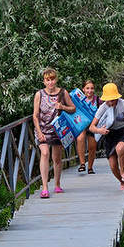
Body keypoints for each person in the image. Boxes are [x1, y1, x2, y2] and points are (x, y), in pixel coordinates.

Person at [33, 68, 75, 199]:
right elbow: (35, 115)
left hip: (57, 130)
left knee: (56, 159)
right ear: (44, 81)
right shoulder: (39, 94)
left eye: (52, 79)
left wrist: (62, 107)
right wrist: (39, 132)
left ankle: (57, 184)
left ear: (56, 80)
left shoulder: (63, 93)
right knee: (45, 153)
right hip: (43, 130)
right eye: (48, 80)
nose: (50, 82)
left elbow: (73, 109)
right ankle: (45, 187)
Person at [91, 82, 124, 189]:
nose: (111, 102)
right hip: (110, 134)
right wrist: (100, 130)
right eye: (109, 100)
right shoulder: (103, 107)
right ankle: (121, 181)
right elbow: (91, 127)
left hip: (123, 132)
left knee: (120, 148)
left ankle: (123, 171)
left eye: (113, 99)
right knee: (112, 165)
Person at [75, 79, 100, 174]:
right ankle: (82, 163)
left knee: (92, 146)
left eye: (92, 88)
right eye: (87, 88)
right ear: (83, 89)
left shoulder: (98, 100)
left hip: (93, 125)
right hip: (82, 124)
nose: (90, 91)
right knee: (80, 138)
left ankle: (90, 167)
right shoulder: (80, 100)